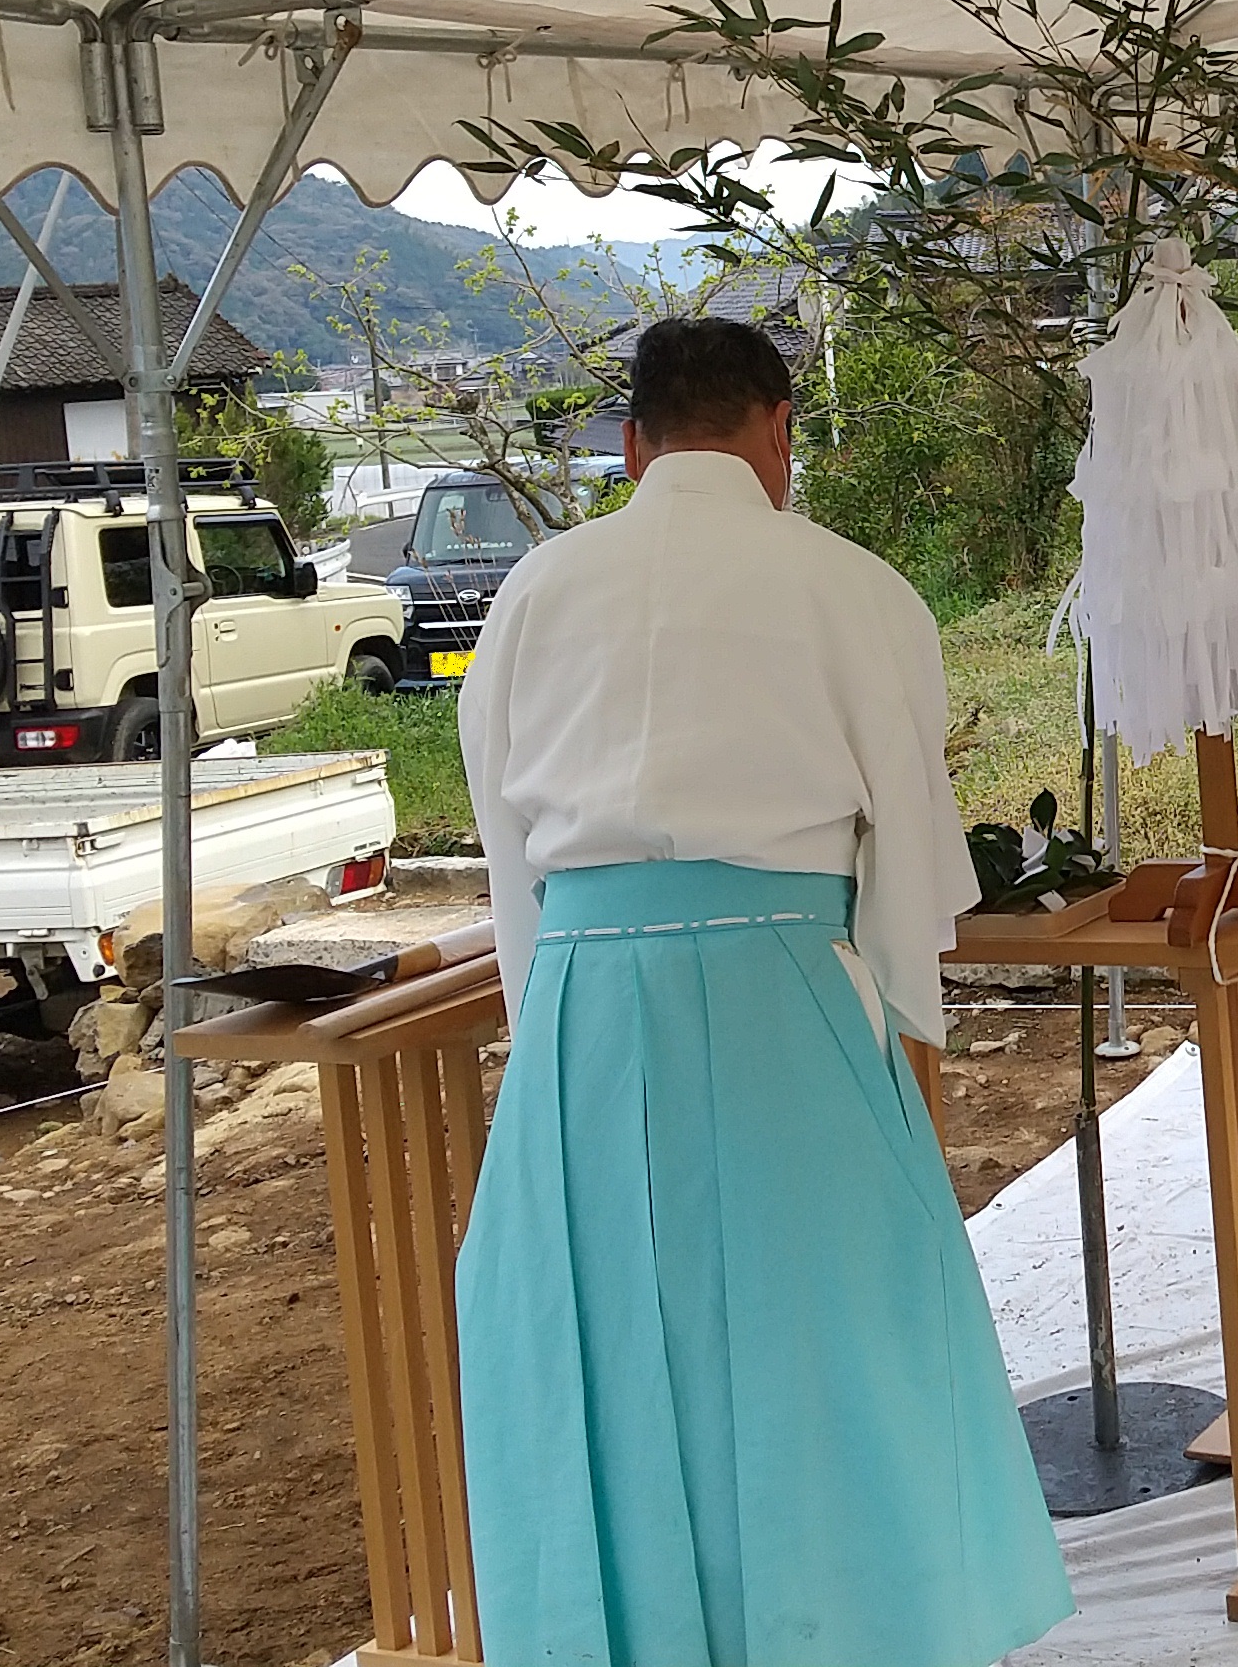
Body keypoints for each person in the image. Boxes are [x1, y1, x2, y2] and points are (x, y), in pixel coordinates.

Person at [453, 316, 1069, 1667]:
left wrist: (542, 1010)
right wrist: (892, 1002)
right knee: (829, 1338)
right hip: (786, 988)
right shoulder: (850, 584)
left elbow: (507, 846)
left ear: (631, 443)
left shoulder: (535, 592)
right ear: (780, 431)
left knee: (604, 1342)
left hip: (585, 1005)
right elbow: (912, 845)